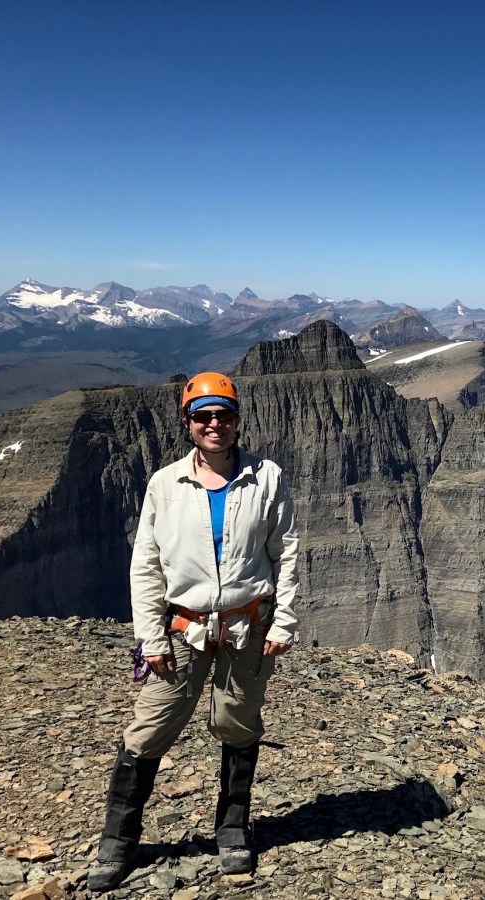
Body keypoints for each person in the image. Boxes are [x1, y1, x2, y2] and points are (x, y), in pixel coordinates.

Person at [88, 371, 300, 892]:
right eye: (203, 416)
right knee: (150, 728)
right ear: (187, 423)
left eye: (223, 415)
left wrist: (285, 620)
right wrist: (150, 638)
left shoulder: (267, 477)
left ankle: (233, 829)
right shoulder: (165, 485)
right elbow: (147, 565)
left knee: (237, 723)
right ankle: (118, 841)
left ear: (237, 421)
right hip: (183, 629)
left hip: (249, 626)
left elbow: (287, 553)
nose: (214, 424)